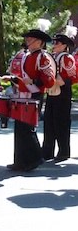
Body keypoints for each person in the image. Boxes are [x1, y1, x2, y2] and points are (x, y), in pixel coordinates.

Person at [4, 20, 56, 172]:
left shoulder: (43, 57)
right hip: (22, 94)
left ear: (39, 42)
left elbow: (49, 80)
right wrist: (12, 78)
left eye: (29, 39)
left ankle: (35, 158)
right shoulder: (26, 56)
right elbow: (21, 77)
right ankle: (20, 161)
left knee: (27, 128)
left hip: (34, 95)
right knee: (19, 128)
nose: (26, 42)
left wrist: (33, 80)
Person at [42, 26, 78, 162]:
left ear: (64, 45)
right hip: (52, 92)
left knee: (61, 123)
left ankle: (63, 151)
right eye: (54, 43)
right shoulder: (53, 57)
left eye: (57, 43)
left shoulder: (67, 58)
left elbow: (71, 77)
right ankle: (47, 151)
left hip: (62, 94)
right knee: (49, 122)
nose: (54, 45)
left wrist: (57, 80)